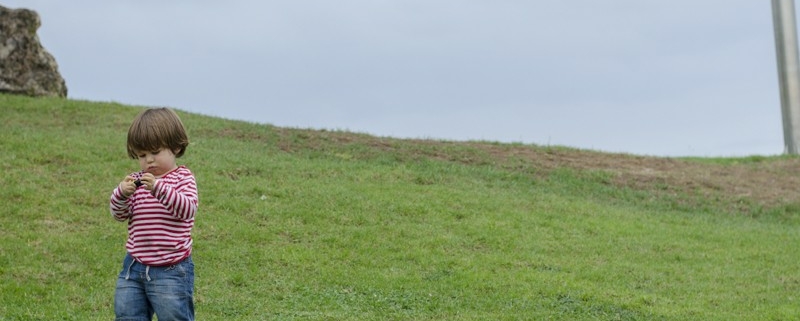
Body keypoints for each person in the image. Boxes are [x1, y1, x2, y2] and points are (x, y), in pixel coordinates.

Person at [109, 107, 198, 320]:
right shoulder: (136, 181)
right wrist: (121, 194)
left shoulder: (182, 178)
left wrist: (158, 188)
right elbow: (119, 214)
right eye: (142, 155)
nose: (149, 160)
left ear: (176, 147)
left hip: (171, 270)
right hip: (133, 267)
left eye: (155, 152)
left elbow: (187, 209)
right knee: (127, 316)